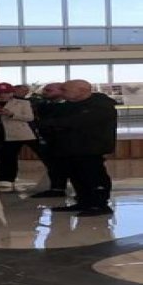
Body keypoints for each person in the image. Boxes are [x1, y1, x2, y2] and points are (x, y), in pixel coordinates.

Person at [50, 80, 117, 217]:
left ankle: (99, 205)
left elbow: (78, 121)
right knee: (76, 175)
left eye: (65, 90)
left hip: (91, 147)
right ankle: (84, 201)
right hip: (72, 147)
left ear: (81, 91)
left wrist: (53, 123)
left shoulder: (101, 105)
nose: (62, 92)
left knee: (93, 175)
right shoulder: (70, 105)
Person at [30, 82, 70, 198]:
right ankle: (57, 188)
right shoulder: (43, 105)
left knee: (71, 166)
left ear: (61, 91)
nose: (45, 93)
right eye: (45, 90)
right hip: (48, 139)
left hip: (66, 140)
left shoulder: (70, 105)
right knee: (53, 165)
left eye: (49, 90)